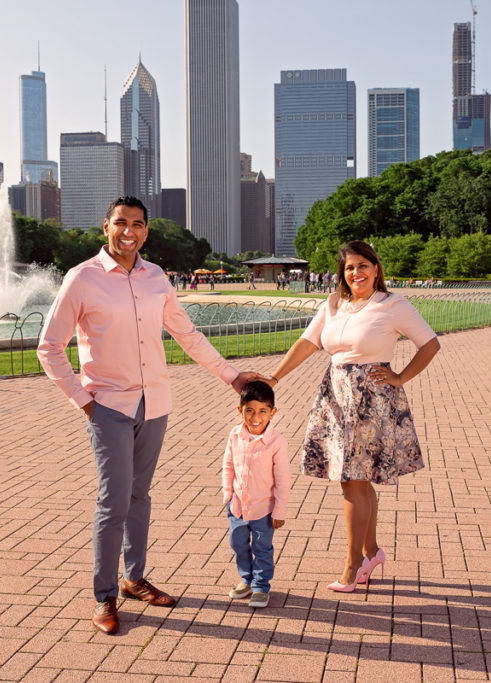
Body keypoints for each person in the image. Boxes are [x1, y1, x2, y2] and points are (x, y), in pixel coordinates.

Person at [37, 196, 260, 635]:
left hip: (154, 403)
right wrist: (83, 400)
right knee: (113, 499)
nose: (129, 231)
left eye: (137, 224)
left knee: (140, 496)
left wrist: (232, 376)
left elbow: (188, 335)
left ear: (145, 231)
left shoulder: (155, 277)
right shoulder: (82, 278)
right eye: (121, 223)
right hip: (108, 406)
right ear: (106, 227)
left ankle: (134, 578)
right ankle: (104, 596)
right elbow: (49, 347)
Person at [264, 240, 440, 593]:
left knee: (352, 481)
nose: (356, 272)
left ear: (376, 268)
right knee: (358, 480)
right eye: (349, 267)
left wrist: (400, 377)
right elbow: (307, 343)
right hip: (336, 397)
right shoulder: (333, 304)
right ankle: (371, 552)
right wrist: (274, 378)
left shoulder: (393, 304)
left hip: (372, 401)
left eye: (363, 265)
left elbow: (430, 344)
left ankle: (354, 564)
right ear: (342, 274)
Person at [222, 381, 290, 609]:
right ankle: (247, 580)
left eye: (262, 411)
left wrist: (279, 511)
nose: (255, 417)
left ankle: (261, 585)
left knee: (262, 548)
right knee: (238, 544)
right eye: (249, 410)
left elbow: (282, 480)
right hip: (238, 506)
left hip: (264, 509)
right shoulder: (235, 435)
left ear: (272, 412)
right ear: (240, 410)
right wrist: (228, 495)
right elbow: (228, 465)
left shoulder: (276, 442)